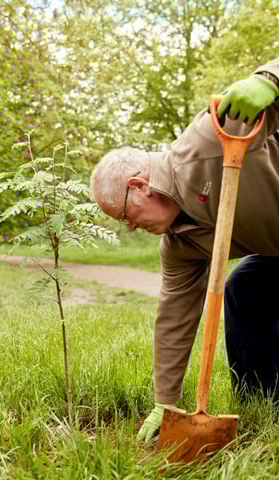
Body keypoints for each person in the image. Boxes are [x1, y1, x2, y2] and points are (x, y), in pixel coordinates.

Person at [90, 59, 279, 442]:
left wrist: (270, 78)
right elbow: (174, 318)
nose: (129, 227)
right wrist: (166, 401)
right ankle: (263, 404)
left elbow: (258, 94)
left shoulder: (207, 141)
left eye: (125, 215)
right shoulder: (178, 246)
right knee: (244, 288)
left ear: (140, 184)